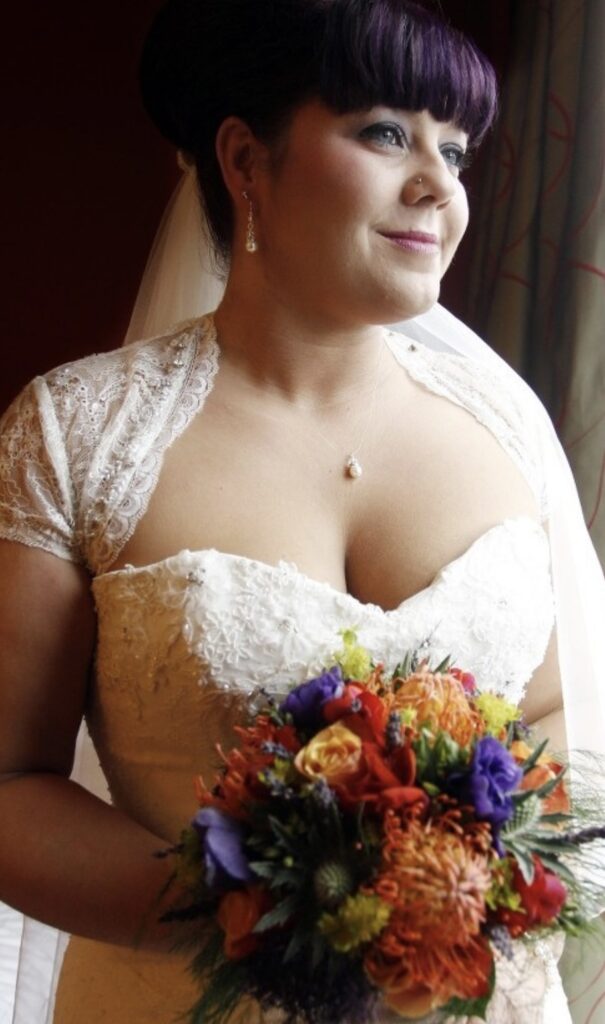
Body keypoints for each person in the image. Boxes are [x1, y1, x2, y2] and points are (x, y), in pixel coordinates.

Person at [0, 1, 603, 1022]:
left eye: (455, 149)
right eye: (386, 133)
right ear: (245, 160)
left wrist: (456, 884)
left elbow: (562, 713)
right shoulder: (78, 434)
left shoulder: (501, 423)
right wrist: (272, 916)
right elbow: (10, 784)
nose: (439, 185)